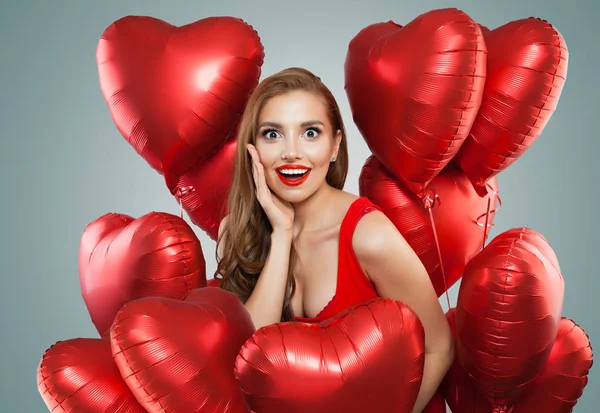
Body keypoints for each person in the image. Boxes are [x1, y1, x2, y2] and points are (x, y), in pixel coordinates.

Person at [213, 67, 453, 413]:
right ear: (252, 150)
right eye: (272, 135)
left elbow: (439, 348)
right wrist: (281, 234)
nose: (291, 153)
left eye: (310, 133)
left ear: (335, 146)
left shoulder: (369, 236)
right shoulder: (235, 233)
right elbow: (248, 360)